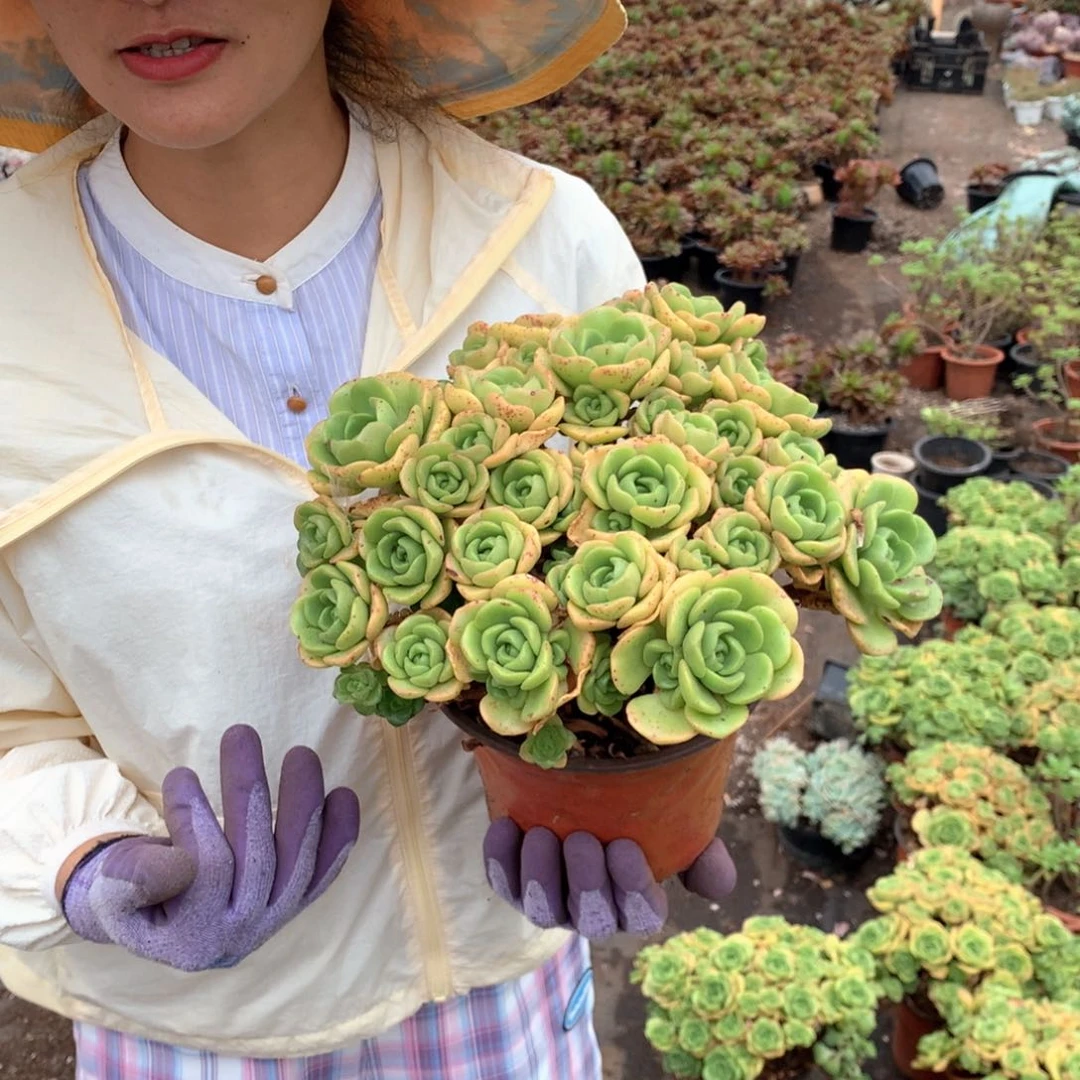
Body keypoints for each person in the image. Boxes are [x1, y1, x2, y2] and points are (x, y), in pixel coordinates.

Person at [0, 2, 736, 1076]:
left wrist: (663, 760)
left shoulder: (542, 236)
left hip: (509, 997)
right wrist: (82, 859)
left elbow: (695, 556)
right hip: (200, 1032)